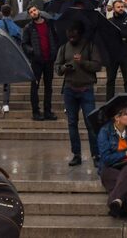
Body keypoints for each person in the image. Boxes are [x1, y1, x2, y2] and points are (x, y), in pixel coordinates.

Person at [55, 21, 103, 166]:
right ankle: (76, 154)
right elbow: (57, 68)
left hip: (86, 89)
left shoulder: (90, 46)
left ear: (80, 32)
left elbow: (97, 65)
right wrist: (64, 67)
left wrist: (82, 62)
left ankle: (96, 155)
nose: (71, 35)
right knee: (72, 123)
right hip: (70, 90)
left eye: (74, 31)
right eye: (69, 32)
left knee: (91, 124)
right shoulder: (63, 48)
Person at [20, 5, 59, 121]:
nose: (33, 13)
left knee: (49, 87)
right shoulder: (28, 28)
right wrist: (33, 52)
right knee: (34, 87)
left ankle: (48, 111)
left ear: (39, 11)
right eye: (31, 12)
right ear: (30, 15)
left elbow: (56, 39)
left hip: (49, 61)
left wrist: (54, 51)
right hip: (36, 62)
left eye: (34, 10)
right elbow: (24, 44)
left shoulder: (49, 24)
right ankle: (36, 112)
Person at [0, 5, 22, 114]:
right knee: (7, 79)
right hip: (9, 55)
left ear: (1, 12)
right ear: (11, 12)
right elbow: (20, 40)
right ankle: (6, 104)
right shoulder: (15, 26)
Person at [104, 0, 127, 100]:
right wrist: (121, 32)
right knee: (110, 80)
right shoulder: (109, 21)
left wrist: (118, 32)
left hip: (126, 54)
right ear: (113, 8)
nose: (121, 8)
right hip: (112, 55)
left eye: (122, 6)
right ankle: (108, 102)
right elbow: (107, 37)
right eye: (118, 7)